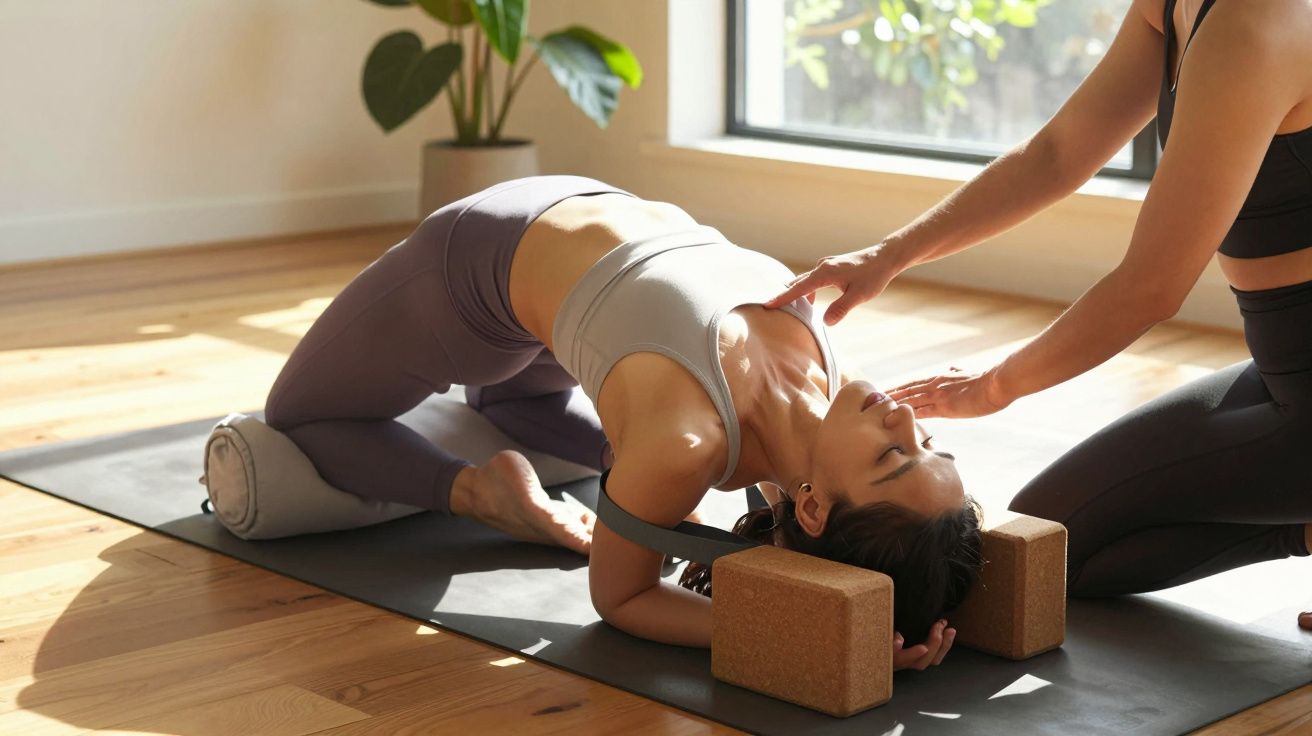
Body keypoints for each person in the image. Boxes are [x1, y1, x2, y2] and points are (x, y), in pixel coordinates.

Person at [263, 175, 983, 664]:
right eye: (929, 444)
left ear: (816, 508)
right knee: (510, 405)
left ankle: (477, 490)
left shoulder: (687, 445)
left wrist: (811, 634)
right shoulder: (828, 391)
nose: (902, 419)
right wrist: (839, 622)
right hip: (532, 275)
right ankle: (518, 454)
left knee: (299, 415)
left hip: (488, 267)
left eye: (893, 457)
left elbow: (622, 596)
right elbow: (798, 496)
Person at [767, 0, 1312, 630]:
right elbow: (1056, 153)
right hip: (1280, 367)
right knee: (1042, 536)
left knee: (1043, 559)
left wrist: (997, 385)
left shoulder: (1251, 24)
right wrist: (890, 254)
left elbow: (1150, 288)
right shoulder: (1172, 8)